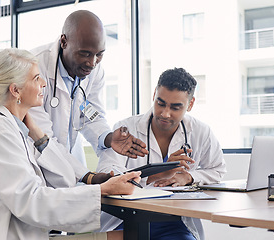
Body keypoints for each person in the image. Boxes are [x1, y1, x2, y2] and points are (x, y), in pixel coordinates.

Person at [0, 48, 142, 240]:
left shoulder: (18, 129)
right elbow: (31, 202)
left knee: (126, 235)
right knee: (126, 237)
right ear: (15, 90)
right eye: (36, 78)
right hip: (5, 235)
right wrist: (102, 190)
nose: (44, 83)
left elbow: (64, 180)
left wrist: (40, 139)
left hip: (28, 233)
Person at [96, 68, 227, 240]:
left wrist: (188, 177)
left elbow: (218, 170)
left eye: (175, 107)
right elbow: (107, 174)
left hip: (175, 224)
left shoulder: (201, 131)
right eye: (161, 103)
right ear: (154, 95)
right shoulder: (127, 129)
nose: (165, 113)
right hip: (127, 219)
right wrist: (158, 174)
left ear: (191, 104)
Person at [29, 10, 148, 168]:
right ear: (64, 42)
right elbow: (41, 134)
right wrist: (88, 177)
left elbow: (91, 115)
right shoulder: (34, 67)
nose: (92, 63)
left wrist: (109, 138)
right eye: (84, 54)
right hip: (36, 161)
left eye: (99, 54)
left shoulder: (95, 71)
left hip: (70, 160)